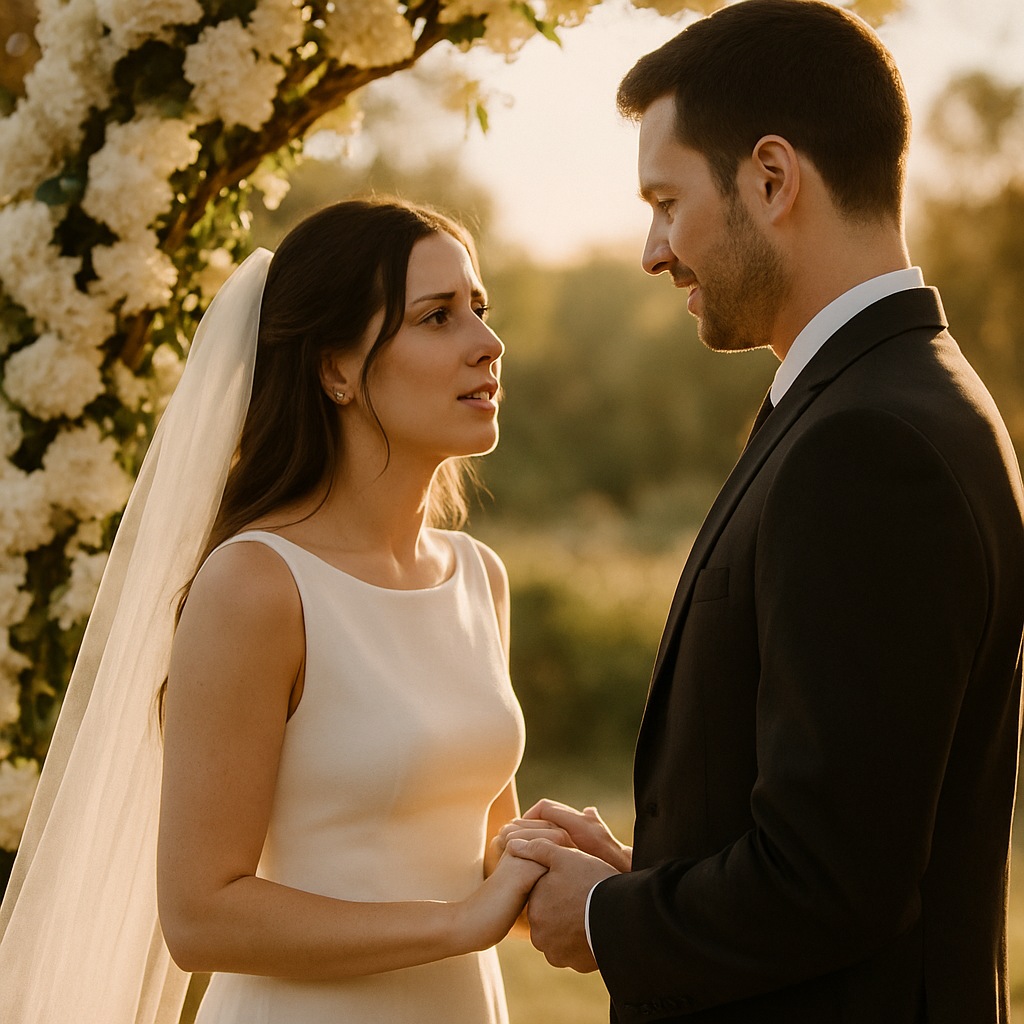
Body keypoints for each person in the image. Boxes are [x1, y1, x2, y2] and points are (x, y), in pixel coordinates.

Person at [501, 2, 1024, 1021]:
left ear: (772, 179)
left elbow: (833, 879)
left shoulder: (870, 445)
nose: (653, 251)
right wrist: (648, 875)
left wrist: (610, 917)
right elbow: (843, 805)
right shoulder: (888, 396)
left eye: (665, 200)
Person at [0, 198, 544, 1024]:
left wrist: (540, 851)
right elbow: (201, 915)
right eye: (437, 317)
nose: (487, 343)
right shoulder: (258, 585)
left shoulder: (478, 577)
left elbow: (472, 849)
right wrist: (459, 922)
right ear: (336, 370)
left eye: (480, 308)